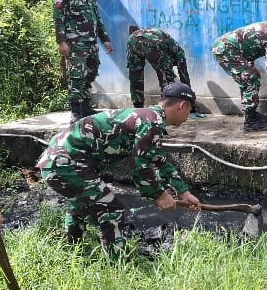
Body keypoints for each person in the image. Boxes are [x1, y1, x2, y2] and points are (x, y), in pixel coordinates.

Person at [35, 82, 203, 258]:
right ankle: (117, 267)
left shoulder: (148, 117)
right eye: (189, 111)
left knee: (82, 206)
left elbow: (158, 159)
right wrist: (160, 195)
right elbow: (140, 167)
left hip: (57, 161)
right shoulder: (151, 123)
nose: (187, 117)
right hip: (65, 163)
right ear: (182, 106)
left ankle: (73, 255)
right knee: (110, 210)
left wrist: (183, 192)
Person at [54, 0, 114, 122]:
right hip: (75, 45)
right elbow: (58, 20)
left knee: (92, 72)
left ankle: (85, 106)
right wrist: (62, 42)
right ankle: (75, 111)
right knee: (77, 76)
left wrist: (105, 39)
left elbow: (97, 20)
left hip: (91, 44)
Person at [212, 22, 267, 131]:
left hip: (232, 50)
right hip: (225, 49)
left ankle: (252, 114)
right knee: (250, 78)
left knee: (250, 76)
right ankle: (250, 121)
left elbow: (249, 47)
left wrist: (251, 66)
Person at [126, 26, 192, 109]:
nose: (172, 65)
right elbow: (184, 75)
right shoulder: (179, 53)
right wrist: (190, 101)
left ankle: (137, 107)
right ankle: (167, 108)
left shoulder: (170, 46)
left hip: (132, 40)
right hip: (153, 41)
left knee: (135, 75)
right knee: (167, 79)